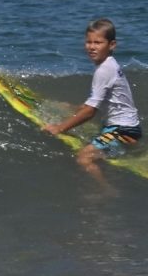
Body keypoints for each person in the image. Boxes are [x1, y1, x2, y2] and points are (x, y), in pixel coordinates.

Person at [42, 18, 142, 187]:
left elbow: (90, 112)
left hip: (123, 131)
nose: (92, 47)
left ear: (112, 45)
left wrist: (59, 128)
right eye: (89, 42)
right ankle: (117, 153)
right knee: (91, 144)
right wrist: (74, 108)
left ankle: (106, 190)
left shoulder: (104, 70)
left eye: (98, 42)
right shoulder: (109, 65)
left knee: (83, 157)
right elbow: (98, 102)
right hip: (121, 128)